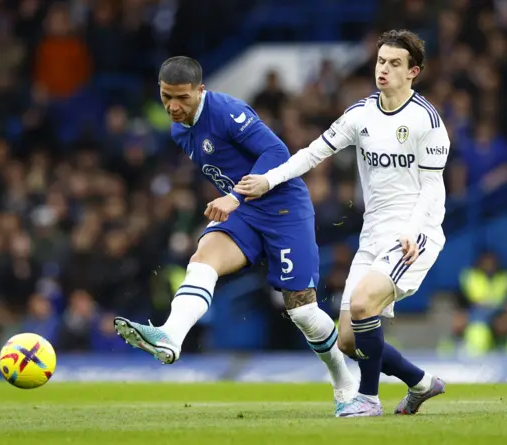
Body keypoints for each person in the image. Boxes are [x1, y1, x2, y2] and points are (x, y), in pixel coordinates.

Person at [113, 56, 358, 410]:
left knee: (302, 312)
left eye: (182, 97)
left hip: (283, 208)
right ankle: (171, 336)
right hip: (244, 212)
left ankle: (346, 385)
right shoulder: (178, 129)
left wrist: (233, 196)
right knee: (202, 259)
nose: (173, 106)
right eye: (167, 96)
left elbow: (276, 150)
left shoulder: (228, 111)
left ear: (201, 90)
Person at [234, 30, 447, 417]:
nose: (384, 69)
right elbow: (313, 152)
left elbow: (433, 188)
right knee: (349, 339)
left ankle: (367, 400)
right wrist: (269, 179)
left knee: (364, 305)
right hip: (374, 234)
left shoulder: (426, 121)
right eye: (381, 60)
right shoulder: (361, 114)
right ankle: (420, 382)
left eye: (395, 63)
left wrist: (413, 231)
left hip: (414, 235)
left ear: (413, 71)